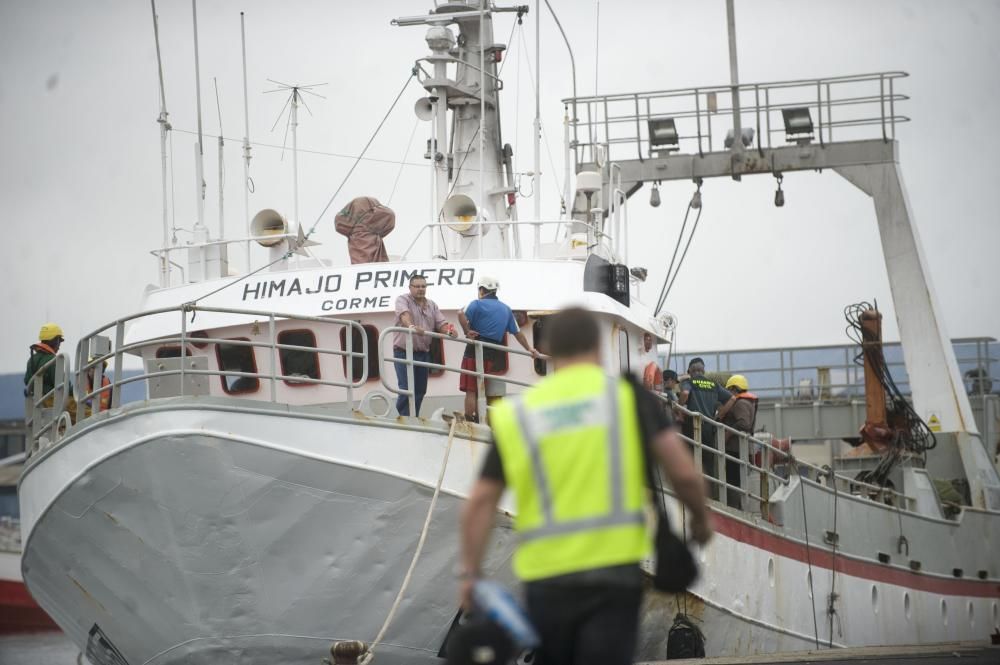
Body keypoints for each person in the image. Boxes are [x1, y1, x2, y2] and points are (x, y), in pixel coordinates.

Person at [459, 308, 712, 665]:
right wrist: (701, 521)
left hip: (546, 579)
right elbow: (683, 474)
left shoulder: (518, 414)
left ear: (549, 349)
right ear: (597, 346)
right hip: (614, 576)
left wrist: (471, 574)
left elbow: (481, 500)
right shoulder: (628, 399)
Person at [457, 276, 538, 422]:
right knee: (480, 385)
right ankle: (481, 418)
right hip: (491, 352)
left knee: (471, 389)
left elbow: (459, 313)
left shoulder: (476, 304)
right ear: (495, 291)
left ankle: (470, 420)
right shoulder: (506, 309)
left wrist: (466, 331)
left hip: (474, 348)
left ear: (481, 290)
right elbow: (518, 333)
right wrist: (529, 349)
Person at [393, 274, 457, 416]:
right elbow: (404, 315)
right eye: (417, 286)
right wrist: (411, 326)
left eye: (423, 286)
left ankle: (413, 417)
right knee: (406, 387)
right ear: (410, 288)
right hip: (403, 352)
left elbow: (441, 324)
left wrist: (450, 331)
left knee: (420, 389)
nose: (421, 289)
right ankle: (402, 418)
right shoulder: (402, 300)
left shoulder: (432, 305)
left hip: (423, 353)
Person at [679, 357, 736, 499]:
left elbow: (685, 394)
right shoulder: (713, 384)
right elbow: (732, 399)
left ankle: (692, 494)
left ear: (689, 371)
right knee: (707, 463)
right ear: (703, 371)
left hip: (692, 427)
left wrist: (678, 408)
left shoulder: (688, 382)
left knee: (690, 459)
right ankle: (708, 496)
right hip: (709, 428)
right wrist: (718, 416)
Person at [720, 374, 758, 509]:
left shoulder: (740, 403)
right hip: (740, 449)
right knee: (736, 480)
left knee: (732, 480)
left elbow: (744, 423)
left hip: (735, 450)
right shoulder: (747, 402)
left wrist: (727, 435)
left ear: (735, 389)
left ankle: (734, 507)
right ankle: (736, 505)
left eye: (729, 390)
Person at [24, 323, 65, 406]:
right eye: (59, 341)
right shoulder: (53, 360)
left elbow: (27, 380)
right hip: (54, 401)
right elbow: (63, 384)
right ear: (55, 340)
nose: (59, 345)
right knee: (86, 411)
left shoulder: (32, 359)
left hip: (38, 403)